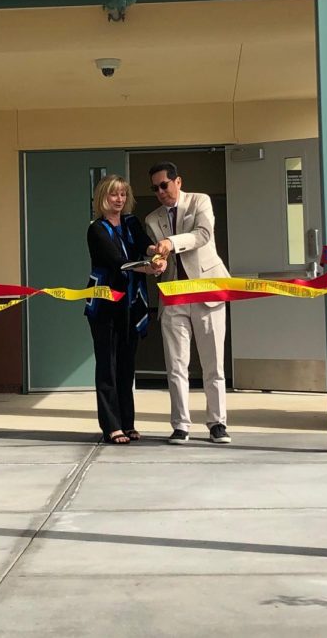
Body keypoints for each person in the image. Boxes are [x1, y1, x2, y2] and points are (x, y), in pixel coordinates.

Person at [144, 162, 231, 445]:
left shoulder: (200, 201)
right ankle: (180, 425)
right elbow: (156, 252)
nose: (160, 192)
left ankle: (217, 423)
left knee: (213, 363)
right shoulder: (151, 219)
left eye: (164, 185)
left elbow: (203, 234)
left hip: (206, 291)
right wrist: (155, 260)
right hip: (174, 296)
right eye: (155, 188)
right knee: (176, 365)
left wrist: (170, 241)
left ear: (177, 181)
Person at [85, 175, 165, 445]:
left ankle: (127, 422)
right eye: (113, 195)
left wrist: (156, 252)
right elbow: (117, 261)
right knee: (107, 365)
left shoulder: (130, 222)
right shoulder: (96, 229)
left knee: (126, 366)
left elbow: (143, 243)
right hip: (105, 306)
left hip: (132, 303)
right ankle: (111, 426)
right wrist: (147, 267)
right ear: (102, 198)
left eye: (122, 195)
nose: (118, 200)